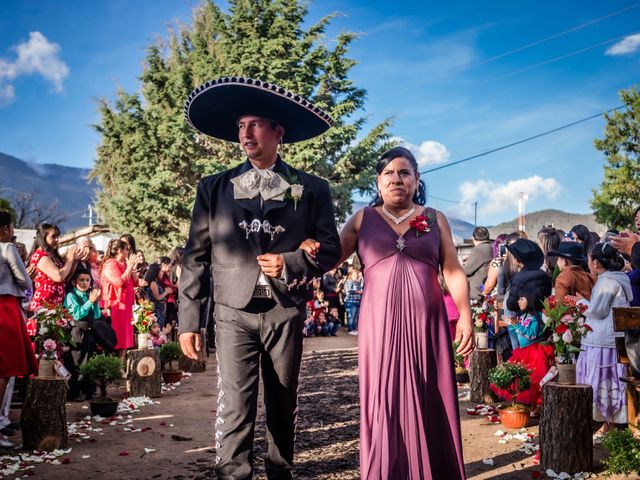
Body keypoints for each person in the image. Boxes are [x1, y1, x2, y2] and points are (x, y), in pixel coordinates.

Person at [178, 77, 341, 479]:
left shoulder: (313, 188)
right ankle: (233, 475)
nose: (245, 133)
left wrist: (292, 263)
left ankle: (280, 473)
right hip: (232, 310)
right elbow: (195, 256)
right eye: (240, 126)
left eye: (254, 124)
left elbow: (331, 250)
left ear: (277, 132)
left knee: (284, 403)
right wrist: (188, 321)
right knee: (236, 402)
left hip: (286, 309)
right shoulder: (213, 188)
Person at [310, 146, 472, 479]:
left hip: (426, 327)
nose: (396, 179)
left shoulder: (433, 219)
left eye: (404, 173)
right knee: (382, 399)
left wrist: (465, 315)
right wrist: (303, 247)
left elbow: (453, 269)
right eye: (389, 173)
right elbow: (330, 259)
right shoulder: (362, 220)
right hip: (378, 327)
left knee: (430, 395)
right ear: (378, 181)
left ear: (416, 180)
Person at [576, 243, 631, 443]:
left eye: (590, 260)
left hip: (603, 342)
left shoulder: (606, 281)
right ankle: (611, 422)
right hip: (617, 339)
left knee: (603, 382)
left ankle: (609, 422)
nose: (588, 263)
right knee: (612, 382)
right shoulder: (620, 278)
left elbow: (597, 312)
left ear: (596, 262)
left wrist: (580, 302)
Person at [0, 210, 38, 447]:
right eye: (12, 227)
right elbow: (25, 281)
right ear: (5, 229)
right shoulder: (7, 248)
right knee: (4, 371)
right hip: (5, 307)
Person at [496, 287, 554, 415]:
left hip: (536, 353)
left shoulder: (537, 317)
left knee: (535, 379)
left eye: (522, 299)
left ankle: (539, 405)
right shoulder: (523, 316)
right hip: (524, 351)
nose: (518, 301)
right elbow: (518, 334)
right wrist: (512, 324)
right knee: (526, 379)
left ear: (531, 300)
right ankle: (532, 405)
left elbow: (531, 335)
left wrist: (515, 325)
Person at [100, 239, 144, 360]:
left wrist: (133, 268)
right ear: (119, 250)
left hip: (126, 305)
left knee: (125, 338)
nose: (128, 252)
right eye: (127, 249)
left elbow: (134, 282)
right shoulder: (110, 264)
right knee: (117, 337)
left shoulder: (124, 264)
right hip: (116, 306)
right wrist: (129, 267)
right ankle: (116, 365)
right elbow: (119, 282)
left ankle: (121, 363)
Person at [63, 268, 102, 401]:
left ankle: (89, 390)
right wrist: (90, 302)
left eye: (87, 280)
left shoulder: (89, 295)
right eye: (82, 280)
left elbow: (97, 315)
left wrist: (95, 303)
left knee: (89, 361)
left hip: (89, 332)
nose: (85, 283)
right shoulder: (71, 296)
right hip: (77, 332)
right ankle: (74, 392)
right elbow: (77, 314)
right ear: (74, 282)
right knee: (77, 362)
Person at [28, 223, 82, 313]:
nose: (57, 239)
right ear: (43, 237)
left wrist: (74, 261)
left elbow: (65, 278)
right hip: (44, 305)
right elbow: (59, 277)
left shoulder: (52, 255)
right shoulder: (41, 255)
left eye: (58, 236)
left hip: (56, 306)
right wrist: (69, 259)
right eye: (53, 236)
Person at [463, 226, 493, 302]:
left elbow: (467, 270)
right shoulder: (490, 247)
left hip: (475, 293)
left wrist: (458, 265)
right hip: (483, 289)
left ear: (474, 238)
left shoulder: (478, 249)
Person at [144, 262, 172, 328]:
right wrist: (166, 292)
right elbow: (157, 297)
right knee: (157, 329)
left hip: (160, 311)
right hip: (156, 311)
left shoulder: (156, 282)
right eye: (161, 272)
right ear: (156, 272)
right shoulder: (153, 283)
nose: (162, 273)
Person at [343, 268, 363, 334]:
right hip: (350, 302)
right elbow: (349, 290)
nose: (356, 276)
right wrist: (358, 292)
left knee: (355, 317)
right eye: (354, 274)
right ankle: (350, 329)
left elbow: (361, 289)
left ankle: (354, 329)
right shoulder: (349, 281)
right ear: (351, 275)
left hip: (357, 302)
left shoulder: (357, 282)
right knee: (351, 316)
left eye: (356, 274)